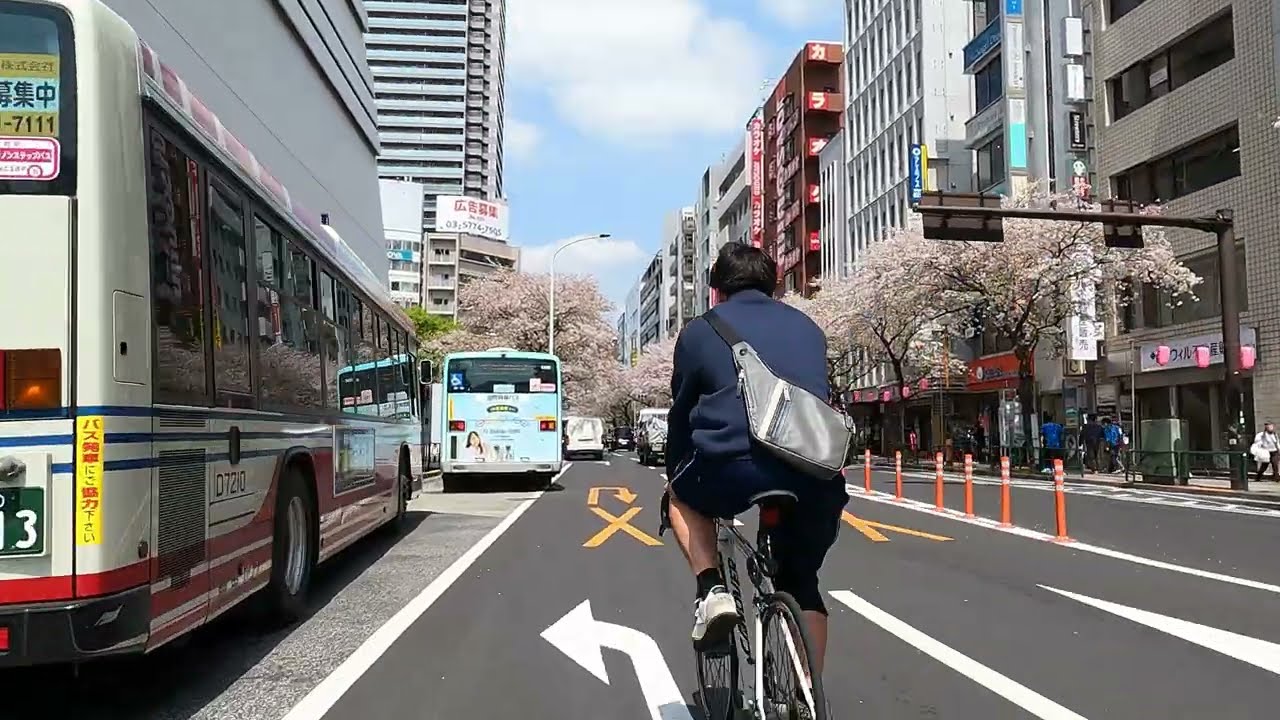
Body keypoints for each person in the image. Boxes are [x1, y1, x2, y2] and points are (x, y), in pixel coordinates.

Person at [663, 243, 849, 675]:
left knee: (681, 498)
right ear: (775, 285)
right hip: (812, 471)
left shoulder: (700, 331)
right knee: (803, 585)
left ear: (717, 290)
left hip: (732, 465)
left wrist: (676, 469)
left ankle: (712, 591)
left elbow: (681, 412)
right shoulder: (809, 327)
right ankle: (806, 698)